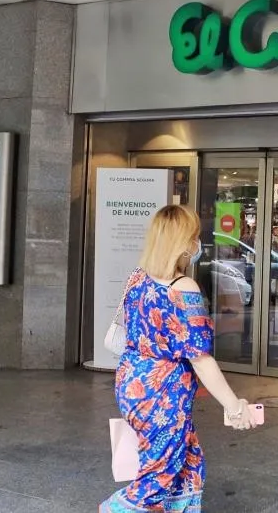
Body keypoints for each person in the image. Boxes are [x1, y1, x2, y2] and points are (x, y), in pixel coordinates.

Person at [100, 205, 256, 512]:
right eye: (195, 237)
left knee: (187, 463)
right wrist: (234, 406)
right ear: (184, 242)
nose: (198, 244)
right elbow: (200, 358)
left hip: (132, 384)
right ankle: (114, 509)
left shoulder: (137, 277)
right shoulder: (184, 289)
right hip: (163, 396)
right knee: (159, 476)